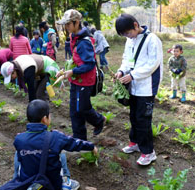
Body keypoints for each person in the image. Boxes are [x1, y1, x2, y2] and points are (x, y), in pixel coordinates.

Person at [13, 99, 97, 190]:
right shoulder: (56, 137)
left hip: (29, 183)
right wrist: (91, 146)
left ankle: (18, 181)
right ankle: (65, 181)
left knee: (18, 154)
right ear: (45, 119)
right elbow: (74, 143)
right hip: (52, 185)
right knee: (61, 152)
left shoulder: (19, 139)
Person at [114, 13, 163, 166]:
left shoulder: (152, 40)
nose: (128, 37)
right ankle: (134, 142)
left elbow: (152, 64)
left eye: (128, 33)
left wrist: (133, 75)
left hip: (146, 87)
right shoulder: (130, 41)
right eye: (125, 35)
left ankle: (149, 152)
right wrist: (122, 71)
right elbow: (127, 59)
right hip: (133, 86)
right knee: (134, 116)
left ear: (136, 25)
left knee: (143, 120)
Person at [56, 9, 106, 141]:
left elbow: (90, 64)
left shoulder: (84, 41)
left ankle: (99, 120)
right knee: (74, 110)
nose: (66, 27)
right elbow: (76, 60)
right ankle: (79, 138)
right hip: (75, 79)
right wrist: (65, 70)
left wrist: (72, 72)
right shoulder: (74, 37)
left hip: (85, 81)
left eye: (68, 24)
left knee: (83, 108)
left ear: (76, 22)